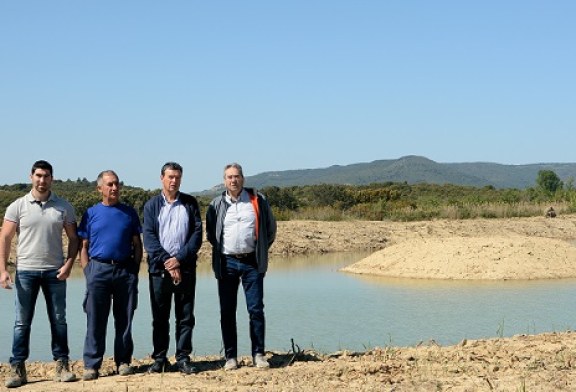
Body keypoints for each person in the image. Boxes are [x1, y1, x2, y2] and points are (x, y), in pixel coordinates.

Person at [0, 160, 79, 388]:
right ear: (31, 177)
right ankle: (17, 368)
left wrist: (68, 265)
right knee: (21, 322)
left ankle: (62, 365)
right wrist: (3, 270)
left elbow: (74, 239)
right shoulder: (17, 206)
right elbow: (5, 237)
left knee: (59, 320)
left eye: (46, 176)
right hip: (26, 271)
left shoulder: (64, 207)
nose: (42, 180)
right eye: (38, 176)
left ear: (52, 178)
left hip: (55, 272)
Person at [206, 163, 277, 370]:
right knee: (227, 311)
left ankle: (258, 354)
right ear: (224, 180)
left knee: (255, 309)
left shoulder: (257, 200)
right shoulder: (216, 204)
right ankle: (230, 357)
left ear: (243, 179)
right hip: (227, 263)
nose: (233, 180)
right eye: (229, 177)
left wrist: (261, 249)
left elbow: (270, 230)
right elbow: (212, 234)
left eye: (237, 176)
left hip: (251, 263)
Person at [78, 170, 143, 380]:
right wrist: (88, 270)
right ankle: (92, 365)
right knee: (95, 319)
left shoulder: (129, 212)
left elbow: (137, 244)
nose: (114, 188)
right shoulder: (91, 213)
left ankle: (123, 362)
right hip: (98, 270)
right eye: (109, 184)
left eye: (116, 184)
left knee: (124, 319)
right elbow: (84, 245)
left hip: (125, 271)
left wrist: (133, 270)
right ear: (100, 188)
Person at [142, 162, 203, 374]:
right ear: (162, 178)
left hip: (185, 269)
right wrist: (168, 261)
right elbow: (149, 239)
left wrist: (179, 260)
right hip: (159, 271)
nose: (173, 181)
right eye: (170, 177)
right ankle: (159, 359)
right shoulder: (151, 206)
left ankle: (183, 358)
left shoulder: (190, 203)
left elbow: (196, 236)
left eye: (177, 177)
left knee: (185, 316)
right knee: (160, 317)